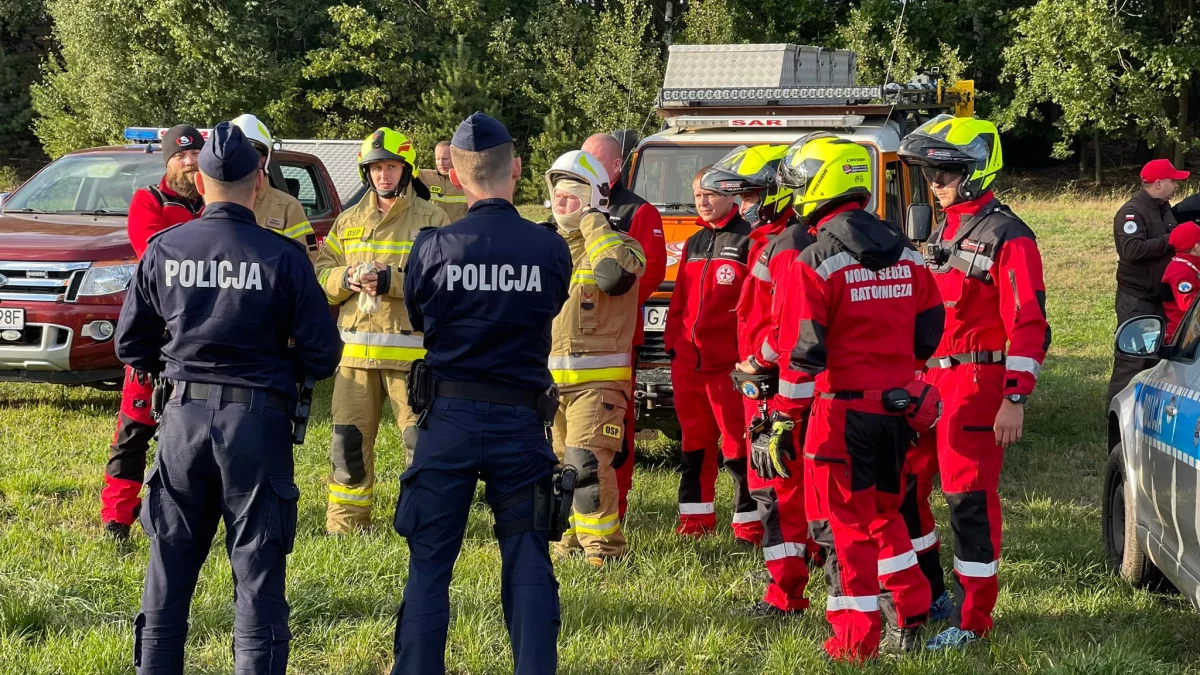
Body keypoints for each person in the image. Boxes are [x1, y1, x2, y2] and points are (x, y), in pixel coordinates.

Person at [115, 121, 342, 674]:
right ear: (257, 181)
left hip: (182, 421)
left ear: (204, 181)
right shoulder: (282, 255)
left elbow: (130, 344)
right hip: (258, 423)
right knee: (258, 577)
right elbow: (323, 353)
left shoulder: (167, 248)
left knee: (167, 572)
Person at [390, 112, 572, 675]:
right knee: (527, 557)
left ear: (459, 178)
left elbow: (422, 316)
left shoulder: (432, 246)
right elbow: (553, 305)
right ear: (515, 169)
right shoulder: (549, 249)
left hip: (448, 419)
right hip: (520, 423)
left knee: (430, 562)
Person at [770, 134, 943, 661]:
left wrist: (781, 420)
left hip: (839, 416)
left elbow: (803, 354)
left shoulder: (816, 259)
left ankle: (854, 640)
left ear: (817, 186)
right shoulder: (906, 252)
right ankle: (912, 613)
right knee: (885, 516)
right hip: (896, 410)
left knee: (842, 530)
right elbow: (930, 329)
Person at [898, 115, 1051, 650]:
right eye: (930, 174)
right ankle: (932, 592)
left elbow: (1029, 322)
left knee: (968, 500)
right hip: (927, 384)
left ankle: (973, 620)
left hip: (976, 384)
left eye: (945, 173)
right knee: (910, 487)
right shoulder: (942, 226)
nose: (935, 185)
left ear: (978, 171)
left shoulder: (1009, 235)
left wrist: (1014, 396)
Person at [314, 127, 450, 534]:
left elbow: (442, 285)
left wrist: (390, 280)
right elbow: (321, 274)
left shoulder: (433, 221)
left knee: (418, 446)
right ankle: (346, 527)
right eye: (375, 168)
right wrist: (346, 278)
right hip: (354, 359)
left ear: (406, 169)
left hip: (410, 361)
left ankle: (420, 523)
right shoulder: (348, 220)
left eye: (391, 167)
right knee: (347, 445)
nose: (383, 176)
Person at [100, 123, 205, 540]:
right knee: (135, 428)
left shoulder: (215, 204)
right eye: (180, 155)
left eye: (196, 154)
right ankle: (117, 518)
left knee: (192, 433)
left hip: (200, 337)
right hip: (156, 333)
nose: (189, 161)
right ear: (168, 160)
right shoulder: (149, 200)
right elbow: (156, 256)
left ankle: (184, 516)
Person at [545, 150, 645, 566]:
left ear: (595, 198)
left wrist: (593, 221)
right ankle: (565, 542)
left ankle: (604, 552)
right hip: (550, 383)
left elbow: (613, 277)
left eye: (573, 196)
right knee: (556, 466)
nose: (561, 203)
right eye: (558, 195)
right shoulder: (547, 246)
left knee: (585, 463)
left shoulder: (623, 247)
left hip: (599, 383)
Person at [662, 166, 760, 543]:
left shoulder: (750, 241)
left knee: (737, 450)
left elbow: (754, 309)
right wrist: (674, 345)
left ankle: (747, 527)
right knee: (693, 448)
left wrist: (745, 358)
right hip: (689, 365)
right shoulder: (693, 242)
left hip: (729, 368)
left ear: (731, 196)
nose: (703, 201)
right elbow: (680, 302)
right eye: (698, 195)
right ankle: (694, 523)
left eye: (710, 194)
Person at [581, 133, 667, 520]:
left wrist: (605, 303)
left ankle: (618, 506)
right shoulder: (570, 205)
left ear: (616, 167)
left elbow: (648, 274)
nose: (587, 170)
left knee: (616, 427)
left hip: (615, 339)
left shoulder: (637, 212)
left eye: (597, 162)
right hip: (569, 340)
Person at [1106, 158, 1187, 404]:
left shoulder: (1164, 208)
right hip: (1137, 300)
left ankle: (1143, 417)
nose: (1176, 185)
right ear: (1158, 183)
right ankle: (1115, 416)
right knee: (1131, 360)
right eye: (1173, 181)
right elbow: (1132, 250)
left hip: (1159, 299)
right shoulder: (1131, 213)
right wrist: (1171, 239)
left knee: (1155, 361)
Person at [231, 113, 319, 261]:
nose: (241, 161)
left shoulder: (288, 208)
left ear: (263, 161)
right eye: (235, 154)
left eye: (248, 154)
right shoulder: (210, 202)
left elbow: (307, 262)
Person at [1163, 221, 1200, 340]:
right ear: (1196, 246)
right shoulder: (1179, 272)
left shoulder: (1193, 263)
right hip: (1184, 338)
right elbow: (1189, 306)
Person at [418, 141, 468, 222]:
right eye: (437, 159)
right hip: (434, 232)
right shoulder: (425, 177)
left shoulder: (466, 180)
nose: (440, 163)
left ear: (454, 158)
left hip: (458, 232)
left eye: (445, 159)